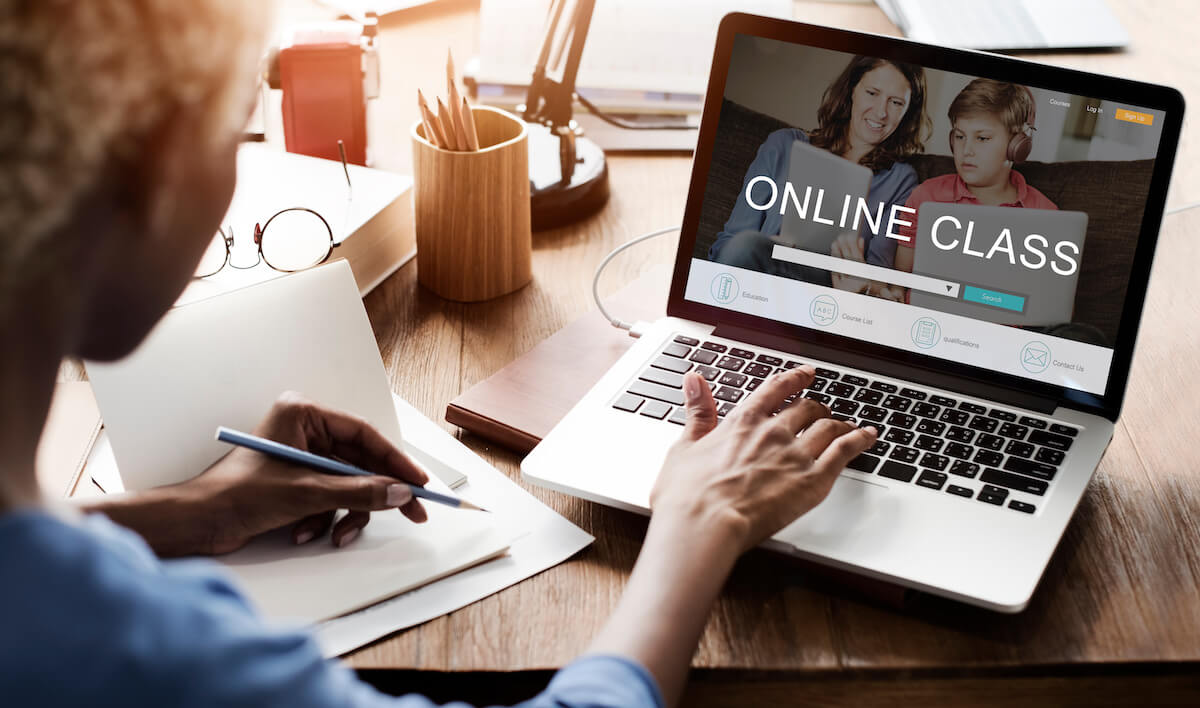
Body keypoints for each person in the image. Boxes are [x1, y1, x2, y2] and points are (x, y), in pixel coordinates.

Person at [0, 2, 876, 707]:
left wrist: (189, 511)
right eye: (236, 133)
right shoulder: (152, 656)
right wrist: (697, 525)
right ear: (146, 177)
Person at [710, 54, 928, 298]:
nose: (881, 112)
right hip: (756, 273)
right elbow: (728, 243)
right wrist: (765, 249)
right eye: (872, 93)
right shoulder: (783, 145)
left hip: (826, 292)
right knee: (746, 244)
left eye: (896, 103)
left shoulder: (900, 180)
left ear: (907, 112)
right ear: (851, 91)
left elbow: (880, 271)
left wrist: (862, 279)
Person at [891, 79, 1058, 292]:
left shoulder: (1046, 215)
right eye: (960, 136)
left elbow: (1048, 302)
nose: (966, 150)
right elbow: (899, 283)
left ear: (1018, 145)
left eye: (982, 138)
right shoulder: (925, 196)